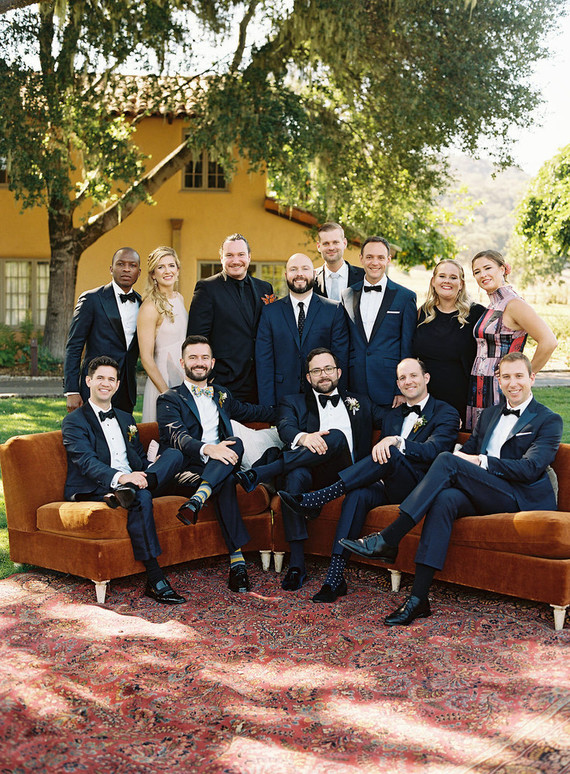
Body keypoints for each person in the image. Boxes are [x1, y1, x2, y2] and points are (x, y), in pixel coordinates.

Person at [341, 352, 563, 625]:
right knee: (444, 498)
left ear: (532, 378)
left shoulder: (549, 419)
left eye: (519, 376)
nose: (512, 383)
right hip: (485, 491)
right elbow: (467, 450)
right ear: (498, 380)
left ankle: (389, 537)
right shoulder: (490, 414)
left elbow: (530, 468)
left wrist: (479, 461)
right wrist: (463, 457)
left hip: (519, 496)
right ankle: (418, 598)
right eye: (506, 377)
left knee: (446, 461)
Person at [280, 357, 460, 602]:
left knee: (392, 451)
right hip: (390, 486)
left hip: (421, 488)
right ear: (397, 384)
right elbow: (381, 456)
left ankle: (323, 495)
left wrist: (397, 441)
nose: (409, 382)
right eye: (403, 378)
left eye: (414, 375)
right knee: (358, 494)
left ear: (426, 378)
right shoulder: (392, 417)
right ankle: (335, 577)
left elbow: (435, 450)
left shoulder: (446, 412)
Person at [238, 347, 384, 591]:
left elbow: (392, 419)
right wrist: (303, 437)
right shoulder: (293, 402)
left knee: (336, 437)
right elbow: (285, 426)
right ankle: (297, 565)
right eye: (316, 370)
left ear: (338, 372)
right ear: (308, 377)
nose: (323, 375)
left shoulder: (362, 401)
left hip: (348, 475)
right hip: (311, 474)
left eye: (328, 369)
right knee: (295, 476)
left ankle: (262, 473)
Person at [156, 336, 276, 593]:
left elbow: (252, 412)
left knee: (235, 443)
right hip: (187, 469)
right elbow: (178, 436)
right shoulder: (169, 399)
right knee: (228, 479)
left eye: (204, 358)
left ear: (212, 363)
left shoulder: (222, 394)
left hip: (219, 464)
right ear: (182, 362)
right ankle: (237, 562)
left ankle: (200, 498)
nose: (199, 363)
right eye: (193, 357)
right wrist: (208, 448)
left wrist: (291, 412)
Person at [62, 356, 186, 604]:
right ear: (89, 381)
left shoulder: (126, 418)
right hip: (98, 485)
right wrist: (122, 477)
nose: (105, 384)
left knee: (174, 454)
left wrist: (150, 467)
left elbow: (137, 457)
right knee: (142, 496)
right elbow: (87, 463)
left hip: (133, 481)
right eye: (100, 378)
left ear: (118, 384)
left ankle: (135, 487)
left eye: (111, 379)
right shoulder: (74, 421)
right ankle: (155, 578)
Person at [466, 249, 557, 429]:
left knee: (499, 445)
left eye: (487, 268)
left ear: (503, 269)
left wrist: (525, 376)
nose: (482, 274)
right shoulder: (493, 305)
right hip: (480, 386)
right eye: (477, 272)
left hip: (501, 388)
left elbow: (549, 341)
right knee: (478, 445)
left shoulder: (513, 304)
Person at [186, 233, 274, 402]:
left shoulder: (265, 288)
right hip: (224, 382)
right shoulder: (207, 288)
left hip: (260, 380)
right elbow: (196, 338)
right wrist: (209, 375)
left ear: (249, 257)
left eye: (241, 255)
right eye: (229, 255)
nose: (236, 260)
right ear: (221, 258)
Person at [255, 253, 349, 406]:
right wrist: (267, 406)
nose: (299, 274)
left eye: (305, 269)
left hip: (322, 396)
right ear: (286, 275)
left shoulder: (333, 310)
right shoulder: (270, 312)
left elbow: (340, 358)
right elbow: (264, 362)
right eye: (293, 269)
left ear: (313, 274)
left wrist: (338, 399)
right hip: (282, 397)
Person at [64, 247, 142, 413]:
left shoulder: (143, 305)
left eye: (132, 265)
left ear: (139, 271)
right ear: (111, 269)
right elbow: (74, 346)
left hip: (126, 390)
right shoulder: (91, 299)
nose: (126, 269)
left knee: (123, 437)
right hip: (94, 386)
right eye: (121, 264)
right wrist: (72, 390)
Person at [342, 236, 417, 407]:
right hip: (355, 387)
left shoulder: (405, 297)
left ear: (388, 260)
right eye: (369, 257)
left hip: (390, 387)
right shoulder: (347, 295)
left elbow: (407, 347)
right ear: (361, 259)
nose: (375, 262)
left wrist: (402, 389)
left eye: (380, 257)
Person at [413, 259, 486, 426]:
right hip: (424, 398)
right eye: (442, 276)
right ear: (433, 281)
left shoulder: (477, 314)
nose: (447, 281)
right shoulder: (422, 313)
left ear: (461, 284)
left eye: (453, 277)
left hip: (461, 399)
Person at [137, 246, 188, 422]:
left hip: (184, 377)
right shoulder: (149, 307)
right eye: (161, 267)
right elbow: (146, 358)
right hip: (162, 380)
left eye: (171, 265)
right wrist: (166, 392)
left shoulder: (179, 298)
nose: (167, 271)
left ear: (178, 269)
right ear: (153, 274)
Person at [314, 221, 364, 300]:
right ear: (318, 246)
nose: (331, 248)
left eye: (335, 242)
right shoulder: (310, 279)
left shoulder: (364, 277)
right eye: (326, 243)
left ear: (344, 243)